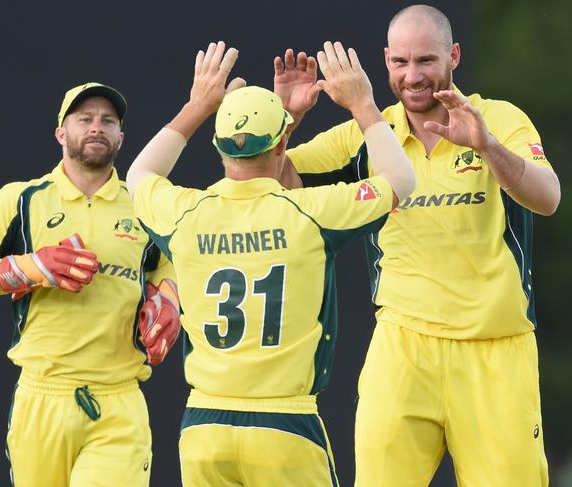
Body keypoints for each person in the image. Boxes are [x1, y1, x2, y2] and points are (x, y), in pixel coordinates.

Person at [275, 5, 560, 486]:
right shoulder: (366, 134)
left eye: (426, 61)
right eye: (400, 63)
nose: (413, 77)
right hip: (403, 348)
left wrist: (486, 145)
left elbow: (548, 198)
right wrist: (287, 120)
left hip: (496, 350)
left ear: (454, 55)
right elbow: (278, 187)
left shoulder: (497, 118)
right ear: (385, 61)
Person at [126, 40, 415, 486]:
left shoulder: (186, 213)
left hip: (205, 425)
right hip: (285, 425)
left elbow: (140, 175)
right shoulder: (310, 213)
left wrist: (197, 105)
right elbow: (400, 179)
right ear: (283, 142)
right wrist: (364, 105)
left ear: (218, 145)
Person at [0, 82, 181, 487]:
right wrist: (33, 268)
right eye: (84, 119)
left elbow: (169, 264)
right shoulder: (22, 199)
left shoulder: (144, 202)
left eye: (108, 121)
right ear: (61, 133)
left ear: (121, 137)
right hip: (42, 396)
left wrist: (171, 300)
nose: (96, 127)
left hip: (118, 398)